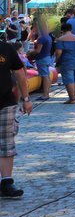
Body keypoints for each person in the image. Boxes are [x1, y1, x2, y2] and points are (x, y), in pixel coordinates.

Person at [0, 35, 32, 198]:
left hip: (5, 103)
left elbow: (20, 74)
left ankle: (7, 183)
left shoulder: (6, 48)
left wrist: (26, 99)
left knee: (6, 143)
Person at [53, 17, 75, 104]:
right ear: (71, 29)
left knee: (68, 80)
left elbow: (58, 52)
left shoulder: (61, 39)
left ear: (62, 30)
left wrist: (57, 61)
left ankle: (72, 99)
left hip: (67, 62)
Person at [28, 23, 54, 100]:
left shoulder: (42, 38)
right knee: (47, 75)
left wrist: (29, 53)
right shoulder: (48, 37)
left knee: (45, 76)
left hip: (42, 58)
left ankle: (45, 95)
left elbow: (37, 51)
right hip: (47, 57)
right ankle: (47, 92)